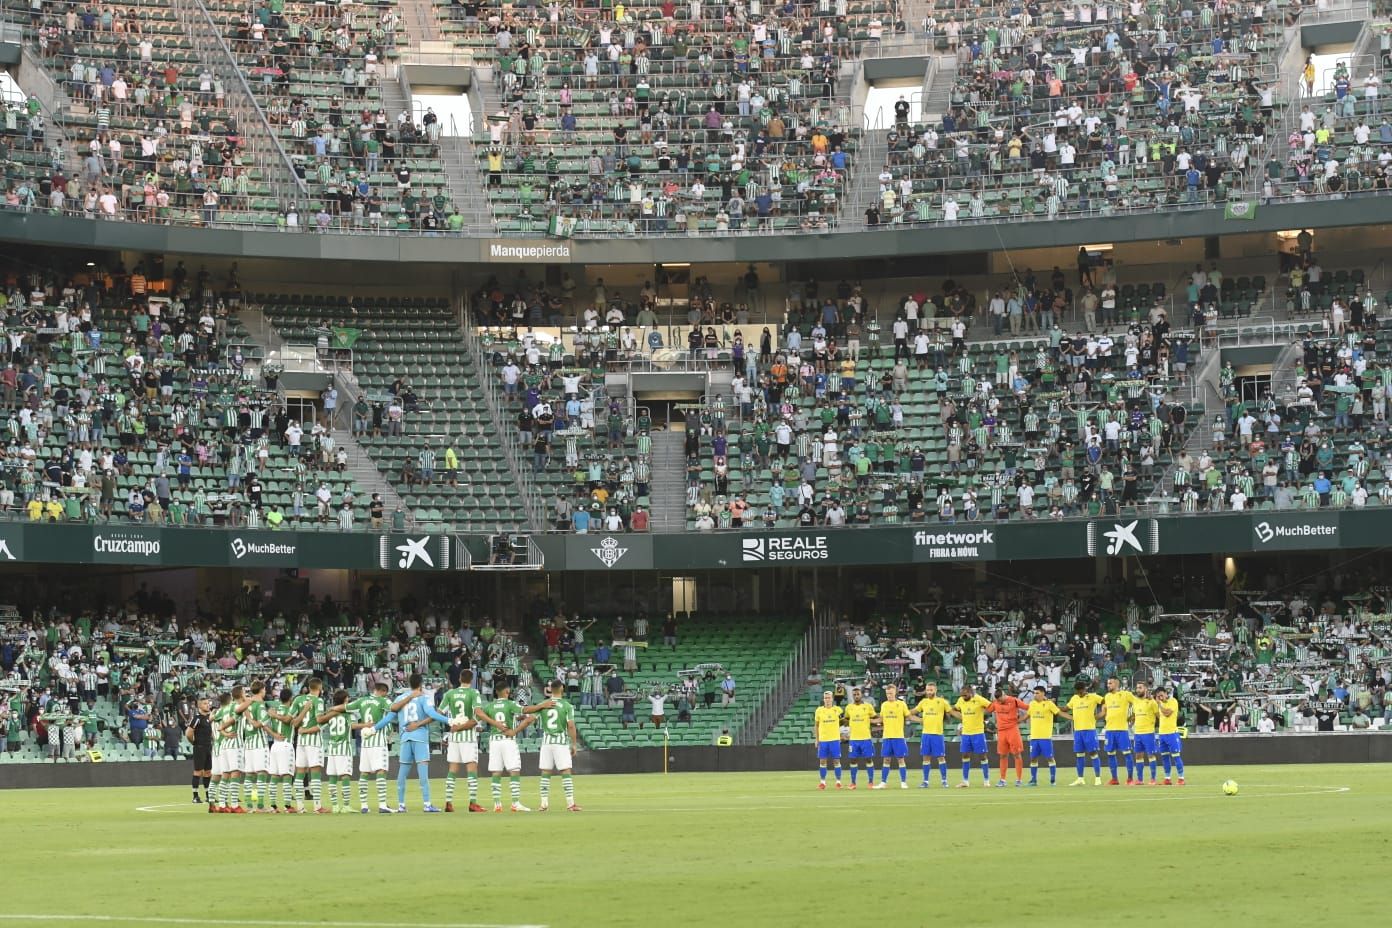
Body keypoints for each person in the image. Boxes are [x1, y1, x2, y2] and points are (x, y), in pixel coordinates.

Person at [372, 673, 453, 812]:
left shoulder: (400, 698)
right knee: (423, 772)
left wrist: (373, 728)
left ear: (409, 684)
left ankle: (401, 805)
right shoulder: (423, 698)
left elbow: (388, 718)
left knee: (402, 773)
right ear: (421, 684)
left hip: (405, 737)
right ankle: (427, 804)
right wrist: (449, 720)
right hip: (420, 736)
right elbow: (432, 714)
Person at [474, 680, 553, 812]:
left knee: (496, 772)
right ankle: (515, 803)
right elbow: (526, 709)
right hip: (507, 739)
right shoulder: (510, 704)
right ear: (507, 691)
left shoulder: (490, 706)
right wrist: (542, 705)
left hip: (494, 740)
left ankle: (497, 804)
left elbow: (478, 716)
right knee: (514, 770)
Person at [438, 670, 486, 812]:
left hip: (454, 738)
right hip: (468, 737)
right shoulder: (474, 693)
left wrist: (451, 723)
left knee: (452, 770)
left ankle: (448, 802)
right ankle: (472, 802)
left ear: (459, 678)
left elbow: (438, 712)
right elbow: (477, 712)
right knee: (471, 769)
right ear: (471, 680)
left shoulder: (450, 694)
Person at [535, 681, 583, 811]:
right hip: (560, 742)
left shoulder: (543, 705)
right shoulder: (567, 705)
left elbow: (530, 718)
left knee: (545, 772)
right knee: (565, 771)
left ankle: (543, 803)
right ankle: (570, 803)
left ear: (550, 689)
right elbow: (571, 726)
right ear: (562, 688)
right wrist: (573, 744)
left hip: (546, 742)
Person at [348, 682, 394, 813]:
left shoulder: (361, 700)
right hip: (378, 742)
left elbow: (346, 707)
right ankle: (382, 805)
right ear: (383, 691)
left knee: (364, 773)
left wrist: (333, 709)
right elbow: (393, 710)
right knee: (381, 771)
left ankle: (364, 806)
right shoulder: (383, 701)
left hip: (365, 742)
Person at [288, 677, 329, 813]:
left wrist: (302, 727)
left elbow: (292, 722)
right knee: (315, 773)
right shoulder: (318, 701)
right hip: (313, 742)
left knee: (300, 773)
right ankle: (317, 806)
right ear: (320, 687)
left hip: (300, 741)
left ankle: (300, 807)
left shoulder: (298, 700)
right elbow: (319, 721)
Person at [316, 690, 356, 813]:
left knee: (332, 777)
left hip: (332, 749)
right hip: (344, 748)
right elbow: (353, 726)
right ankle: (346, 805)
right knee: (345, 776)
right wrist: (368, 725)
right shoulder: (348, 714)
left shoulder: (331, 714)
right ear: (344, 700)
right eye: (347, 698)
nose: (348, 699)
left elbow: (319, 726)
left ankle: (334, 806)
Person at [236, 681, 273, 813]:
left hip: (248, 744)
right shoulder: (260, 706)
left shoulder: (247, 705)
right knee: (261, 774)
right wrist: (252, 720)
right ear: (262, 690)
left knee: (249, 776)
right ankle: (261, 805)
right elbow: (259, 725)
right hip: (259, 744)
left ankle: (250, 805)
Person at [1026, 685, 1070, 786]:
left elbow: (1060, 713)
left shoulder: (1049, 704)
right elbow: (1027, 716)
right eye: (1034, 693)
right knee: (1033, 758)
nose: (1035, 695)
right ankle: (1033, 780)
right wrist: (1017, 721)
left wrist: (1073, 718)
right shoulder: (1032, 704)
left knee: (1050, 758)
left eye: (1037, 693)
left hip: (1045, 737)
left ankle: (1053, 780)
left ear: (1043, 693)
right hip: (1034, 737)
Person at [950, 684, 993, 787]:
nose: (963, 697)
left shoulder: (979, 699)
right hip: (966, 733)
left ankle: (986, 780)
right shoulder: (961, 700)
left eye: (965, 695)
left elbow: (991, 706)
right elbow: (955, 709)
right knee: (965, 755)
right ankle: (965, 781)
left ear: (970, 693)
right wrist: (960, 716)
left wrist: (983, 713)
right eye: (962, 695)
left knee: (982, 756)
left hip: (978, 732)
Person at [910, 682, 951, 788]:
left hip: (937, 734)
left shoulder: (942, 702)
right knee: (926, 758)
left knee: (941, 757)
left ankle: (944, 780)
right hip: (926, 734)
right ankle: (925, 781)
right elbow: (911, 713)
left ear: (935, 690)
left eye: (931, 690)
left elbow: (951, 713)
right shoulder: (923, 702)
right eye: (927, 690)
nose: (929, 692)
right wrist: (918, 719)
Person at [265, 688, 298, 812]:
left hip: (275, 745)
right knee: (287, 776)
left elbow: (263, 724)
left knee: (274, 776)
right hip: (285, 745)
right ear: (290, 698)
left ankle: (273, 806)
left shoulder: (274, 710)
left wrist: (273, 734)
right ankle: (287, 805)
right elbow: (287, 720)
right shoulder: (290, 710)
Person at [988, 687, 1029, 787]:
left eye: (1000, 699)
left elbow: (1028, 707)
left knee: (1016, 754)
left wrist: (1022, 719)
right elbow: (986, 709)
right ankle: (1002, 780)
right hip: (1001, 732)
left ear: (1003, 695)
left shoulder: (1014, 701)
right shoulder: (995, 702)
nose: (999, 702)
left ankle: (1019, 780)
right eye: (997, 700)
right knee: (1002, 755)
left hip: (1012, 730)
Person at [1066, 680, 1105, 786]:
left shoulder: (1093, 696)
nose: (1079, 693)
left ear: (1084, 689)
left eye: (1081, 691)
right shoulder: (1074, 698)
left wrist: (1103, 712)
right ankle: (1080, 778)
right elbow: (1066, 708)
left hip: (1090, 730)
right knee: (1079, 755)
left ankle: (1097, 778)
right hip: (1078, 731)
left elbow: (1105, 701)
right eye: (1077, 692)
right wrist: (1053, 707)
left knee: (1093, 753)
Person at [215, 687, 247, 813]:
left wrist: (223, 732)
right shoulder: (236, 707)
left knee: (225, 774)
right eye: (244, 692)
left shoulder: (224, 709)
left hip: (224, 745)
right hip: (235, 744)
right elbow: (233, 720)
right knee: (235, 773)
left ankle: (222, 804)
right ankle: (234, 805)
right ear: (241, 694)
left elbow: (216, 721)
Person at [873, 684, 910, 789]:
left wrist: (920, 719)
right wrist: (869, 721)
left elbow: (908, 715)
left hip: (898, 736)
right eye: (887, 693)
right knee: (886, 760)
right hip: (887, 737)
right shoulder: (884, 705)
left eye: (891, 693)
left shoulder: (901, 704)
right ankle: (883, 782)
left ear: (895, 692)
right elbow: (881, 719)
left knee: (900, 759)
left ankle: (903, 782)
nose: (889, 695)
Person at [1101, 676, 1137, 785]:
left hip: (1122, 730)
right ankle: (1114, 779)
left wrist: (1133, 716)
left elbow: (1138, 703)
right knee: (1110, 754)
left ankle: (1130, 779)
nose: (1108, 685)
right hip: (1109, 730)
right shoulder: (1106, 696)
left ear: (1116, 684)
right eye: (1107, 683)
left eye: (1110, 683)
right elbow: (1104, 711)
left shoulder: (1125, 694)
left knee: (1127, 754)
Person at [842, 688, 876, 788]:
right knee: (853, 760)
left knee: (868, 759)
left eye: (858, 694)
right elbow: (846, 719)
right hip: (853, 739)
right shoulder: (849, 707)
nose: (856, 696)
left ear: (861, 695)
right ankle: (853, 783)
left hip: (866, 738)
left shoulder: (868, 706)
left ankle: (870, 782)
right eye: (854, 694)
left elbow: (875, 718)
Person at [1155, 686, 1187, 786]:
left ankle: (1181, 778)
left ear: (1165, 693)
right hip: (1162, 734)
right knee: (1164, 757)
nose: (1160, 698)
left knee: (1176, 756)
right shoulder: (1160, 704)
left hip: (1172, 733)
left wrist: (1159, 704)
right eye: (1158, 696)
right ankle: (1167, 778)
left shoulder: (1173, 701)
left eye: (1161, 695)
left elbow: (1167, 713)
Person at [1130, 682, 1160, 785]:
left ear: (1145, 689)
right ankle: (1140, 779)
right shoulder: (1135, 701)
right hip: (1137, 733)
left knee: (1151, 755)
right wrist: (1131, 721)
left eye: (1140, 688)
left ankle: (1153, 779)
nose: (1138, 690)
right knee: (1138, 756)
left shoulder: (1152, 702)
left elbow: (1159, 716)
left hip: (1148, 733)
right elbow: (1135, 714)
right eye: (1137, 688)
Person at [813, 691, 844, 790]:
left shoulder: (837, 710)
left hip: (834, 739)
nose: (827, 700)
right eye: (825, 698)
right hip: (823, 740)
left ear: (832, 699)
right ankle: (822, 782)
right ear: (823, 699)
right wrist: (817, 739)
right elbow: (817, 726)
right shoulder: (819, 711)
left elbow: (843, 721)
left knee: (836, 761)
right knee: (822, 761)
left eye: (829, 698)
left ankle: (838, 781)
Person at [185, 697, 213, 804]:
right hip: (199, 747)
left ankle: (208, 795)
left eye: (208, 703)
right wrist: (194, 743)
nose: (208, 705)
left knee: (208, 772)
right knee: (198, 772)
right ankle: (195, 796)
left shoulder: (208, 718)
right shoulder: (196, 718)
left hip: (208, 747)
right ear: (199, 706)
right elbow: (188, 733)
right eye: (205, 703)